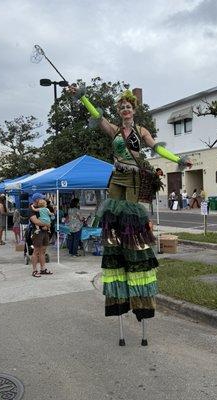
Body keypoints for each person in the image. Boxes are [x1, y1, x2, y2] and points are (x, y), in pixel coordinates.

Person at [68, 84, 192, 339]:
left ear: (134, 110)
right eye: (122, 107)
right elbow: (97, 116)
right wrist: (82, 97)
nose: (125, 109)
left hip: (134, 178)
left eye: (129, 106)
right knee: (113, 215)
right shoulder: (113, 129)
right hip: (117, 177)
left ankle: (133, 244)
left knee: (131, 217)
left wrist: (177, 159)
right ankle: (115, 244)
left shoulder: (142, 130)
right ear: (119, 110)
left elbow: (156, 148)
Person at [29, 193, 53, 278]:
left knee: (43, 251)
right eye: (41, 198)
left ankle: (43, 269)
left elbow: (50, 216)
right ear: (37, 200)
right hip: (37, 232)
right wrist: (47, 225)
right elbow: (35, 221)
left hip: (45, 232)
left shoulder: (44, 208)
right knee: (36, 251)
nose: (43, 200)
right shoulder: (32, 209)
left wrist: (47, 226)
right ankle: (34, 270)